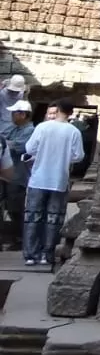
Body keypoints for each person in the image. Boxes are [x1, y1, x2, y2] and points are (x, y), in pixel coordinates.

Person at [22, 98, 84, 267]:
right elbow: (78, 156)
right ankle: (46, 254)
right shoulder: (73, 132)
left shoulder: (42, 127)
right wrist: (64, 158)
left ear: (56, 111)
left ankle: (30, 254)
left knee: (33, 217)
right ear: (71, 113)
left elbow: (29, 149)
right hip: (59, 180)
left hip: (38, 179)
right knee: (53, 219)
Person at [1, 100, 34, 250]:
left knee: (16, 208)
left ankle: (21, 238)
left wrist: (6, 143)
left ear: (22, 114)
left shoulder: (29, 131)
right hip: (6, 174)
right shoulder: (14, 129)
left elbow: (18, 147)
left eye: (14, 113)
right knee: (6, 206)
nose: (12, 116)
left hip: (18, 175)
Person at [0, 74, 29, 138]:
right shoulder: (21, 95)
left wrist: (3, 85)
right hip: (15, 121)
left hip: (4, 122)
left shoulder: (2, 93)